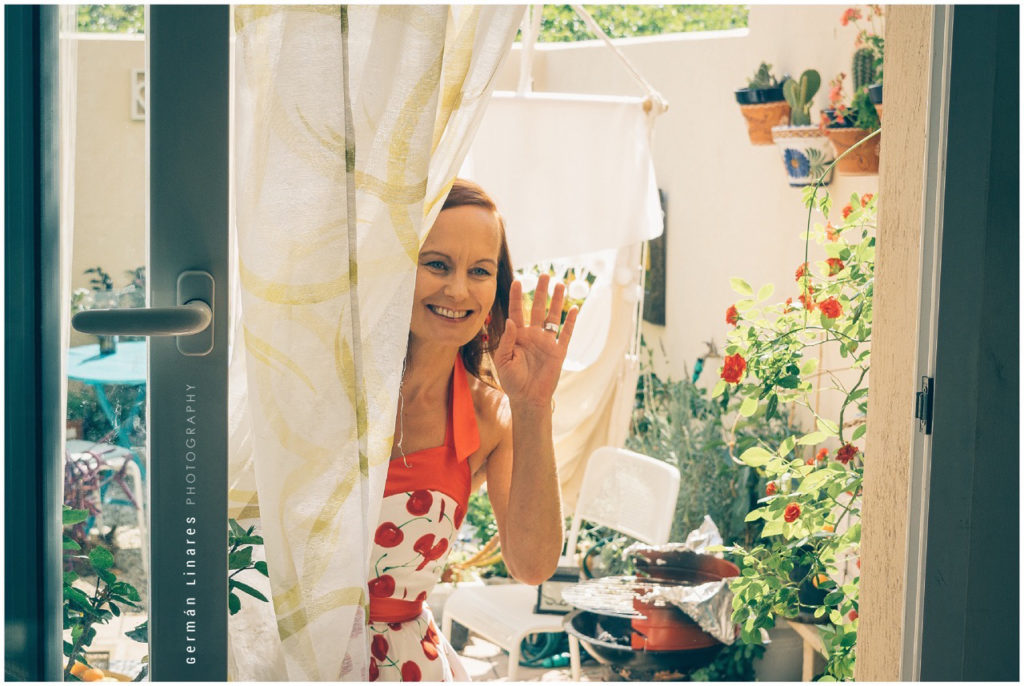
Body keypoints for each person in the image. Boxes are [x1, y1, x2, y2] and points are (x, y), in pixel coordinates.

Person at [366, 179, 578, 681]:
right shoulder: (335, 387)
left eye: (479, 271)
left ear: (495, 291)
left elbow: (533, 566)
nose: (458, 290)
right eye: (437, 263)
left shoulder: (490, 419)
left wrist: (532, 407)